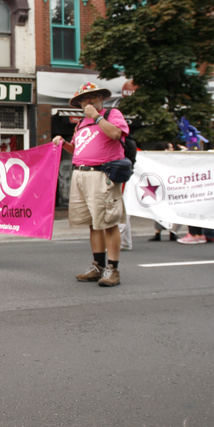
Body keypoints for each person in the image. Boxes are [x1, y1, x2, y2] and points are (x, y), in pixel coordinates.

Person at [52, 82, 129, 287]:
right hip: (81, 175)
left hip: (101, 174)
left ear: (101, 98)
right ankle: (98, 266)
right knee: (93, 224)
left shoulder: (111, 115)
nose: (88, 101)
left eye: (92, 96)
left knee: (108, 222)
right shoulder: (80, 124)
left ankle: (112, 269)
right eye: (83, 99)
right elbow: (77, 150)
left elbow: (115, 134)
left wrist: (96, 116)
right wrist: (63, 144)